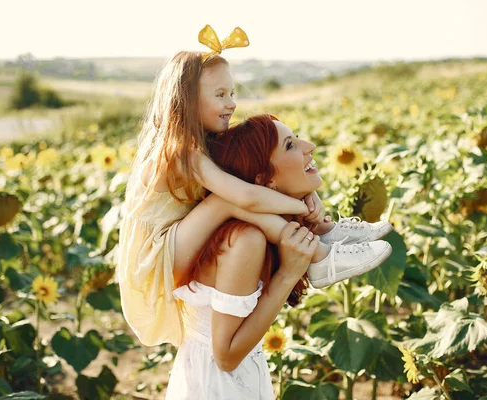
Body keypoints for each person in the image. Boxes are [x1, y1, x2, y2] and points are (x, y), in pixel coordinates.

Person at [116, 26, 393, 350]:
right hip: (157, 256)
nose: (232, 103)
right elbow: (245, 195)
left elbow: (253, 175)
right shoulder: (182, 151)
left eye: (232, 93)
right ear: (187, 102)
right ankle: (320, 256)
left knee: (237, 192)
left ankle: (325, 232)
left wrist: (306, 192)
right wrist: (300, 207)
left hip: (180, 241)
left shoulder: (205, 142)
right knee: (225, 202)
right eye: (220, 95)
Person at [166, 114, 392, 399]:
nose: (308, 146)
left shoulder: (260, 230)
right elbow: (225, 357)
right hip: (218, 386)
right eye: (290, 145)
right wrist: (287, 275)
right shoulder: (245, 240)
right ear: (264, 181)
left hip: (234, 377)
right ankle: (324, 256)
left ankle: (327, 236)